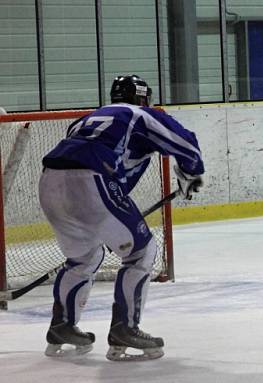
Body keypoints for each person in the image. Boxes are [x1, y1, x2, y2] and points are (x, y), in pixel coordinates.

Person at [40, 75, 204, 360]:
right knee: (141, 252)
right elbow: (185, 141)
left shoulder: (85, 119)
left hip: (49, 184)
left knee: (84, 258)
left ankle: (62, 327)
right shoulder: (139, 114)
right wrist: (192, 172)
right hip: (92, 181)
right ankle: (124, 328)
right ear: (142, 98)